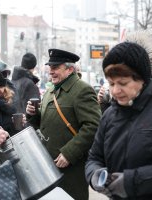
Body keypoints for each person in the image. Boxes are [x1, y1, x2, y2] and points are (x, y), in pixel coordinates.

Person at [85, 42, 152, 199]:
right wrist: (93, 175)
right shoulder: (109, 115)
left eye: (123, 83)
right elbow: (94, 157)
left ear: (142, 79)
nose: (116, 90)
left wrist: (131, 182)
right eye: (111, 83)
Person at [26, 49, 101, 200]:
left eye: (55, 68)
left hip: (71, 168)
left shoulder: (82, 90)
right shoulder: (50, 91)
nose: (51, 72)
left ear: (70, 69)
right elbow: (44, 123)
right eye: (50, 68)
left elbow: (94, 126)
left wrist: (69, 153)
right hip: (49, 167)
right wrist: (33, 114)